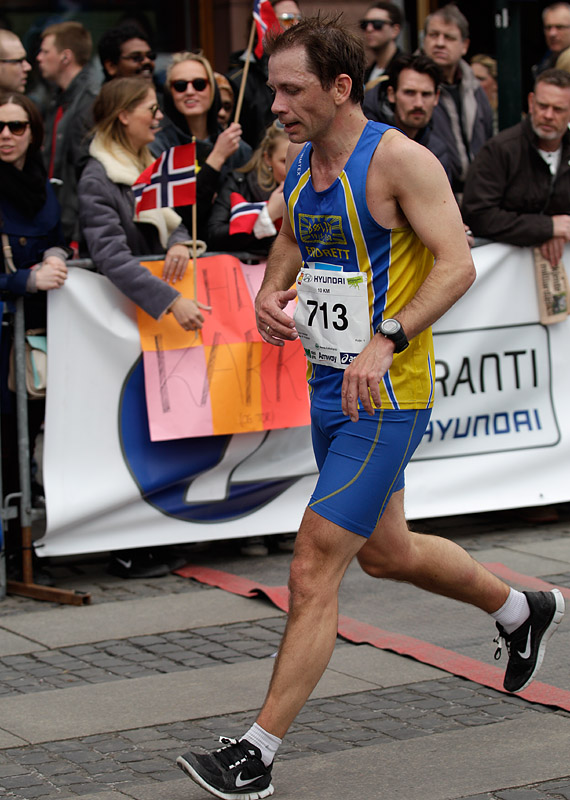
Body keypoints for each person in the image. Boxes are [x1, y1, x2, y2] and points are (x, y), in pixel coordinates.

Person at [175, 16, 565, 799]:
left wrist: (387, 337)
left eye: (293, 90)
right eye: (274, 89)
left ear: (341, 87)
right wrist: (268, 290)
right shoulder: (304, 160)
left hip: (389, 394)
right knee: (387, 552)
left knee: (313, 562)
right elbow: (293, 235)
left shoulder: (400, 160)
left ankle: (255, 754)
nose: (276, 105)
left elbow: (456, 265)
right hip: (330, 386)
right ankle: (521, 608)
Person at [78, 77, 207, 578]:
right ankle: (126, 548)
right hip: (122, 326)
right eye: (150, 109)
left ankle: (153, 537)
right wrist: (171, 300)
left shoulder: (147, 163)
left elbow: (178, 220)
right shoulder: (97, 177)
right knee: (126, 438)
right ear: (123, 116)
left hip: (148, 329)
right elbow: (110, 256)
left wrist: (178, 243)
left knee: (160, 436)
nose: (158, 118)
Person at [0, 91, 68, 578]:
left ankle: (25, 552)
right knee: (8, 445)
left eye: (16, 126)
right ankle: (12, 555)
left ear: (33, 133)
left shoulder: (42, 186)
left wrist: (56, 256)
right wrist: (25, 280)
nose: (5, 135)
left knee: (30, 439)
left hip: (36, 336)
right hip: (6, 331)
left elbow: (58, 236)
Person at [462, 68, 570, 267]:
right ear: (531, 102)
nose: (548, 115)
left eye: (558, 109)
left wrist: (559, 232)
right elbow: (478, 215)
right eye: (543, 106)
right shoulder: (500, 149)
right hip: (503, 272)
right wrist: (547, 228)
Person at [151, 52, 251, 244]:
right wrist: (216, 158)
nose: (190, 91)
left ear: (212, 89)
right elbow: (177, 216)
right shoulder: (158, 146)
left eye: (199, 84)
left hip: (229, 251)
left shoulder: (237, 147)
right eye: (180, 86)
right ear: (170, 93)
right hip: (181, 251)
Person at [36, 21, 99, 247]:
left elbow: (88, 174)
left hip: (75, 231)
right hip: (55, 221)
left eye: (45, 51)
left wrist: (77, 236)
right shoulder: (58, 98)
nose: (38, 58)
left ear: (66, 57)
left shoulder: (90, 100)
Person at [422, 4, 493, 200]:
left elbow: (487, 136)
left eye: (449, 37)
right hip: (432, 195)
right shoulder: (408, 85)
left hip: (476, 196)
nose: (440, 43)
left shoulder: (474, 87)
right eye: (433, 35)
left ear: (465, 45)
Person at [226, 0, 302, 149]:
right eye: (287, 18)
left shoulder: (308, 72)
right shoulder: (239, 81)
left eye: (299, 18)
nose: (296, 24)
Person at [363, 53, 451, 178]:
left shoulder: (438, 150)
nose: (419, 103)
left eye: (426, 94)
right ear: (391, 94)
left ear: (436, 97)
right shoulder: (367, 142)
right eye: (409, 93)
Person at [208, 120, 288, 256]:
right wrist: (268, 215)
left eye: (299, 160)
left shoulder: (317, 187)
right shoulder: (239, 183)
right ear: (268, 158)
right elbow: (214, 236)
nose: (294, 168)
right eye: (285, 161)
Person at [359, 1, 403, 91]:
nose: (369, 29)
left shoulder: (404, 69)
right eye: (365, 24)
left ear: (395, 30)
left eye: (377, 24)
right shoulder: (365, 73)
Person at [534, 3, 570, 78]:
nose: (552, 33)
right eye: (548, 27)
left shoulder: (567, 58)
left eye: (560, 27)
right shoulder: (548, 57)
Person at [470, 54, 498, 134]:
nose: (473, 84)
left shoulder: (508, 115)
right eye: (471, 78)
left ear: (495, 83)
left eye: (480, 79)